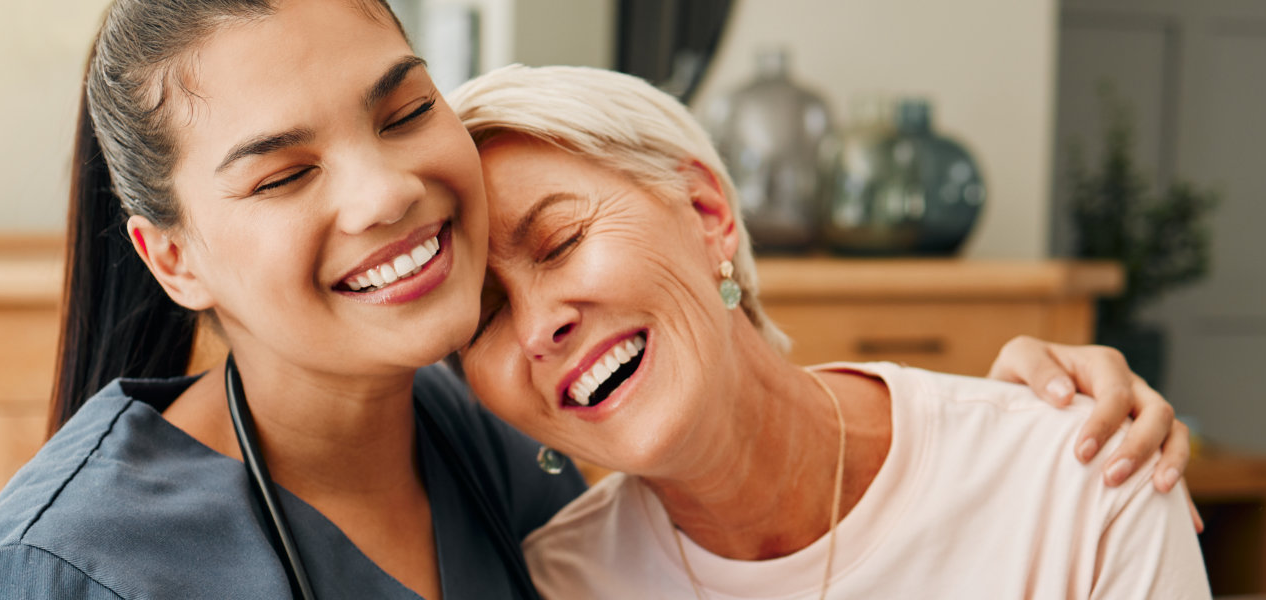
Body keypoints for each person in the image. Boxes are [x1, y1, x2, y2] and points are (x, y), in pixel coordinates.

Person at [0, 1, 1189, 598]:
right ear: (173, 257)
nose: (383, 196)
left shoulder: (500, 440)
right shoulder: (64, 573)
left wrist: (1019, 414)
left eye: (404, 110)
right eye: (287, 172)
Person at [452, 64, 1209, 599]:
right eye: (483, 315)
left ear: (707, 214)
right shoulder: (557, 584)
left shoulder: (1081, 481)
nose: (538, 327)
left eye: (558, 242)